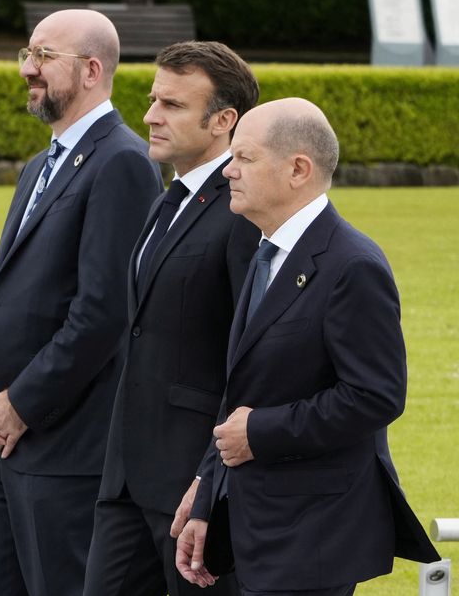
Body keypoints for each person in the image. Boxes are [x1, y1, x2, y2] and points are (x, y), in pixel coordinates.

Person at [175, 97, 440, 596]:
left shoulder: (352, 264)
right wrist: (207, 501)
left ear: (298, 169)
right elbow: (241, 393)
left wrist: (263, 430)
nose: (228, 170)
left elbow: (376, 396)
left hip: (314, 537)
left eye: (244, 158)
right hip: (260, 530)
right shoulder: (264, 254)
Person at [0, 9, 164, 596]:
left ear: (92, 70)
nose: (27, 68)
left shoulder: (122, 162)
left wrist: (20, 404)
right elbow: (4, 299)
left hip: (65, 453)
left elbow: (103, 312)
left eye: (43, 57)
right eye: (27, 53)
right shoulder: (38, 167)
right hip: (1, 446)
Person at [83, 40, 260, 596]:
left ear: (223, 121)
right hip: (126, 476)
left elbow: (250, 356)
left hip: (192, 480)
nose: (150, 116)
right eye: (154, 99)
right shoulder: (169, 198)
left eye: (173, 105)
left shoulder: (243, 209)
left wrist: (210, 481)